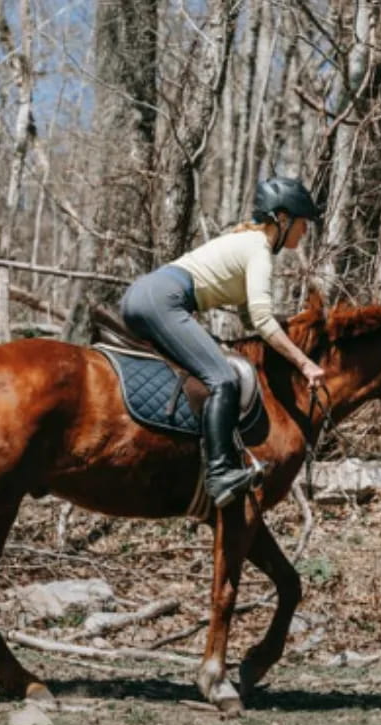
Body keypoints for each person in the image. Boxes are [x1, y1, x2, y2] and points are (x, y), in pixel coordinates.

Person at [120, 177, 326, 508]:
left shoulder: (245, 242)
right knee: (224, 378)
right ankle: (219, 473)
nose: (305, 231)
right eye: (302, 222)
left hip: (142, 296)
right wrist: (304, 362)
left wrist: (294, 326)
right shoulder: (258, 250)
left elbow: (250, 319)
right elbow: (262, 321)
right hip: (162, 300)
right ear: (282, 219)